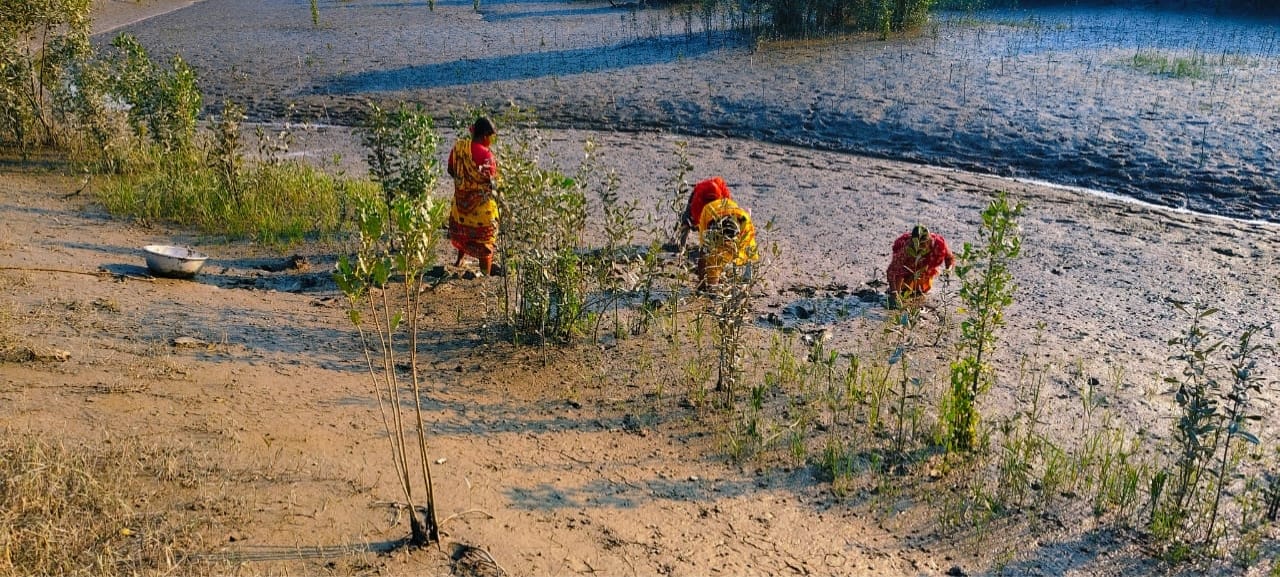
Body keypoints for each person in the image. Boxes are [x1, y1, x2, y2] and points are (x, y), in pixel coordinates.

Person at [447, 117, 499, 276]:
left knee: (463, 233)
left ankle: (459, 261)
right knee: (486, 242)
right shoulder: (486, 156)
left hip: (460, 207)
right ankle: (485, 274)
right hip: (480, 211)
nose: (491, 140)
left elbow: (451, 170)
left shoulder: (459, 148)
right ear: (485, 136)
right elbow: (492, 183)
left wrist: (465, 186)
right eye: (491, 137)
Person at [697, 197, 759, 290]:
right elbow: (704, 251)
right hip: (734, 216)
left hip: (732, 217)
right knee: (747, 247)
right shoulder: (709, 214)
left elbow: (703, 250)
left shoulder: (744, 221)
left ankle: (746, 276)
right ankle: (744, 278)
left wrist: (702, 283)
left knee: (714, 258)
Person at [886, 223, 954, 302]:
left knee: (922, 289)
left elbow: (949, 258)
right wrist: (894, 294)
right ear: (912, 241)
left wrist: (948, 271)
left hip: (924, 272)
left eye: (922, 244)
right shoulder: (906, 248)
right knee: (902, 291)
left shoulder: (938, 245)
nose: (919, 247)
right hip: (906, 273)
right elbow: (892, 271)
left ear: (929, 241)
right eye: (916, 244)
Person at [677, 176, 733, 248]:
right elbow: (698, 220)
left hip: (715, 198)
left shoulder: (724, 194)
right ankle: (682, 247)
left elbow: (729, 209)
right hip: (698, 196)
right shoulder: (697, 201)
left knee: (724, 223)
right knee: (687, 220)